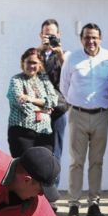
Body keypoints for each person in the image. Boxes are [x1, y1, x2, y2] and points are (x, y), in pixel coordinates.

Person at [59, 23, 108, 216]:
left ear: (100, 39)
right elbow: (64, 85)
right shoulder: (72, 58)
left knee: (96, 161)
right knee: (76, 162)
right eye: (87, 37)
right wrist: (78, 103)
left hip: (102, 115)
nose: (90, 41)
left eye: (94, 37)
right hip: (78, 114)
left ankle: (94, 203)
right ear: (81, 39)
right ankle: (74, 204)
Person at [7, 48, 59, 158]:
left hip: (45, 133)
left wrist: (31, 99)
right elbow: (25, 107)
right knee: (24, 170)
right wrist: (44, 109)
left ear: (40, 64)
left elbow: (54, 101)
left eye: (34, 63)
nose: (31, 66)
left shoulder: (44, 80)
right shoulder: (16, 80)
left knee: (43, 170)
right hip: (22, 132)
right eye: (28, 62)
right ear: (23, 63)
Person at [38, 18, 69, 188]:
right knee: (39, 151)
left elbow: (70, 74)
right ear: (41, 35)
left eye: (53, 35)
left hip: (58, 110)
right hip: (38, 110)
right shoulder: (35, 55)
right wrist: (39, 51)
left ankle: (52, 192)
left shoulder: (64, 55)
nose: (50, 38)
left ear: (59, 35)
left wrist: (60, 54)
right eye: (46, 34)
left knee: (56, 152)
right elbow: (28, 72)